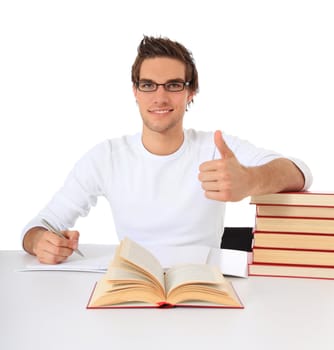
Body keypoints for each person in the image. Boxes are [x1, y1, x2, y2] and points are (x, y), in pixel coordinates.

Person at [22, 35, 312, 264]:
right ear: (135, 91)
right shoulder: (105, 156)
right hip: (132, 289)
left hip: (204, 289)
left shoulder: (216, 147)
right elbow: (39, 225)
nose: (160, 97)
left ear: (190, 93)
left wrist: (250, 180)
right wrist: (40, 242)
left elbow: (301, 172)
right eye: (148, 85)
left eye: (173, 85)